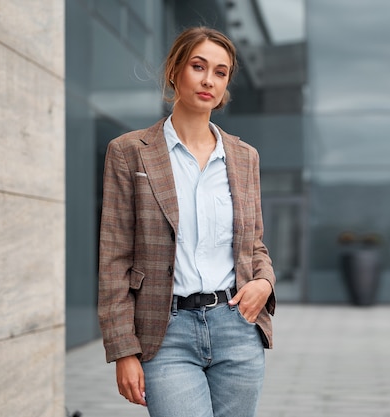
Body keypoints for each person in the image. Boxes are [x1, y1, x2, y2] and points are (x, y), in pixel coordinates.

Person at [97, 26, 276, 417]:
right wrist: (123, 350)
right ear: (175, 70)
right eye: (198, 66)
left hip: (236, 327)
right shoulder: (129, 152)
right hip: (165, 332)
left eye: (221, 71)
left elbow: (254, 243)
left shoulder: (245, 157)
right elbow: (114, 258)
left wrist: (264, 281)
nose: (209, 79)